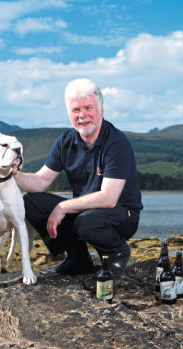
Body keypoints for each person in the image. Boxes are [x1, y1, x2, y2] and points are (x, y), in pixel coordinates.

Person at [13, 78, 143, 276]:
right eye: (76, 110)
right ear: (69, 113)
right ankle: (78, 259)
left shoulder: (117, 142)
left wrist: (63, 207)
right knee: (31, 202)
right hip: (85, 211)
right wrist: (10, 174)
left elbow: (109, 198)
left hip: (122, 214)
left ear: (101, 109)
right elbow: (40, 182)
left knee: (85, 222)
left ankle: (117, 252)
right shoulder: (65, 142)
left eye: (88, 108)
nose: (82, 116)